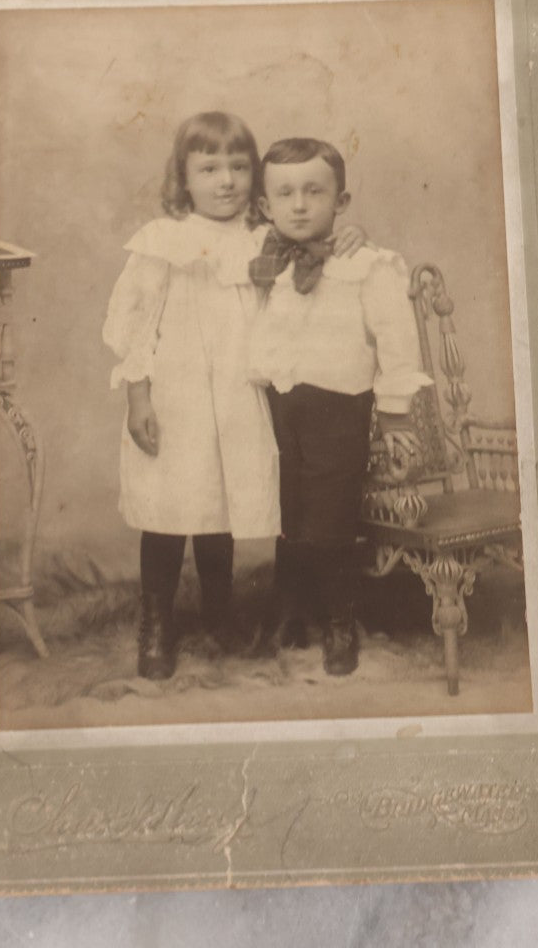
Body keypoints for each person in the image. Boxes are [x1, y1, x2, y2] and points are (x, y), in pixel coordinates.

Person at [103, 113, 365, 680]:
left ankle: (218, 614)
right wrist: (138, 399)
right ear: (184, 177)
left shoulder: (265, 238)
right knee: (171, 506)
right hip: (178, 395)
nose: (226, 181)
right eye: (209, 168)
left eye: (239, 168)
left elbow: (320, 255)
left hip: (239, 395)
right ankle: (156, 624)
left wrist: (350, 237)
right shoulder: (163, 242)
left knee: (217, 502)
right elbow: (137, 327)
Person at [248, 137, 433, 675]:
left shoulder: (366, 264)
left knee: (330, 516)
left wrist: (397, 409)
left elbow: (396, 341)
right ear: (265, 206)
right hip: (280, 402)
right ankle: (292, 610)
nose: (300, 205)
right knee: (290, 509)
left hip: (338, 407)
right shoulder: (264, 258)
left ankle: (339, 620)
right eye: (285, 194)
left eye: (314, 191)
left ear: (341, 202)